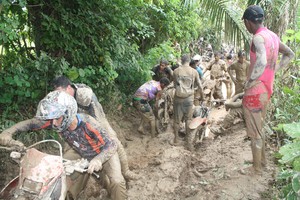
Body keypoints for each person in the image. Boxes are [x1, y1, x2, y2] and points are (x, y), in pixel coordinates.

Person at [0, 76, 138, 181]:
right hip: (69, 125)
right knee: (69, 151)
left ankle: (125, 171)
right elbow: (36, 122)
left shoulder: (84, 96)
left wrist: (95, 133)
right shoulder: (59, 101)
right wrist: (9, 131)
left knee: (111, 138)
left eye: (60, 92)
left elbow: (97, 119)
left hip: (91, 118)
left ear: (68, 88)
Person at [0, 91, 127, 200]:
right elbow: (31, 124)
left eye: (57, 118)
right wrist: (8, 132)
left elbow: (112, 145)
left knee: (116, 181)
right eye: (52, 118)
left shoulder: (89, 124)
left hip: (102, 152)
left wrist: (98, 159)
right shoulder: (57, 122)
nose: (53, 123)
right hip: (80, 151)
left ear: (68, 113)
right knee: (58, 171)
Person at [242, 5, 294, 174]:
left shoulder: (258, 38)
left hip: (255, 92)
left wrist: (250, 81)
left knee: (255, 133)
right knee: (260, 128)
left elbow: (262, 61)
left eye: (245, 23)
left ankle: (256, 169)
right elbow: (290, 54)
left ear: (248, 22)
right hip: (266, 89)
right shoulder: (272, 36)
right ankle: (261, 162)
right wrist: (275, 70)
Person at [173, 54, 203, 151]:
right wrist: (202, 96)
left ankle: (176, 139)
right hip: (189, 99)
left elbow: (175, 85)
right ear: (189, 61)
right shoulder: (194, 71)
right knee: (188, 119)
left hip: (178, 98)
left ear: (181, 61)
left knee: (177, 120)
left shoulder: (176, 71)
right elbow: (200, 86)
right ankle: (187, 140)